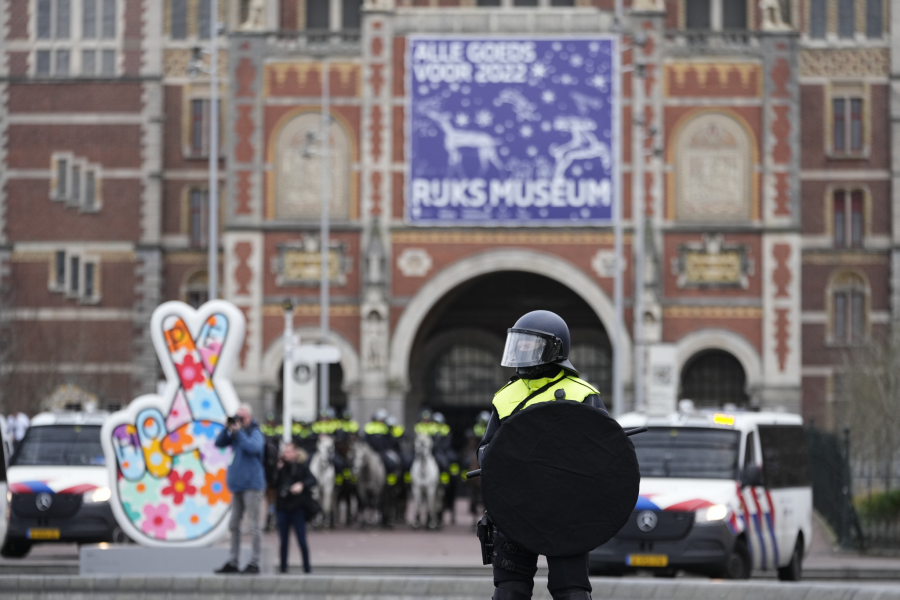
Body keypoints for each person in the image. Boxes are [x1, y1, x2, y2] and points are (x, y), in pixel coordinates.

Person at [478, 310, 609, 600]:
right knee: (509, 591)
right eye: (519, 344)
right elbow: (486, 449)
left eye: (530, 345)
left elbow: (604, 457)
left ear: (555, 349)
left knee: (571, 591)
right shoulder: (505, 396)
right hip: (515, 509)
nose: (522, 351)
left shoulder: (582, 394)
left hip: (567, 513)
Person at [214, 403, 266, 574]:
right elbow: (219, 443)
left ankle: (254, 562)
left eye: (241, 418)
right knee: (234, 524)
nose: (238, 421)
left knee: (253, 525)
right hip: (237, 487)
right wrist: (226, 428)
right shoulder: (236, 434)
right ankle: (233, 561)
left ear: (249, 418)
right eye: (237, 417)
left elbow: (254, 448)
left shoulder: (255, 433)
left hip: (252, 486)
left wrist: (239, 433)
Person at [275, 442, 317, 574]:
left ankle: (307, 569)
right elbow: (273, 482)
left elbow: (313, 480)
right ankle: (283, 568)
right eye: (284, 452)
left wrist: (301, 484)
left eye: (289, 452)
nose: (286, 454)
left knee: (302, 540)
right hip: (283, 508)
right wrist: (277, 469)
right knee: (283, 542)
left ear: (295, 453)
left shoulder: (302, 467)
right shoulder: (280, 468)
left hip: (297, 509)